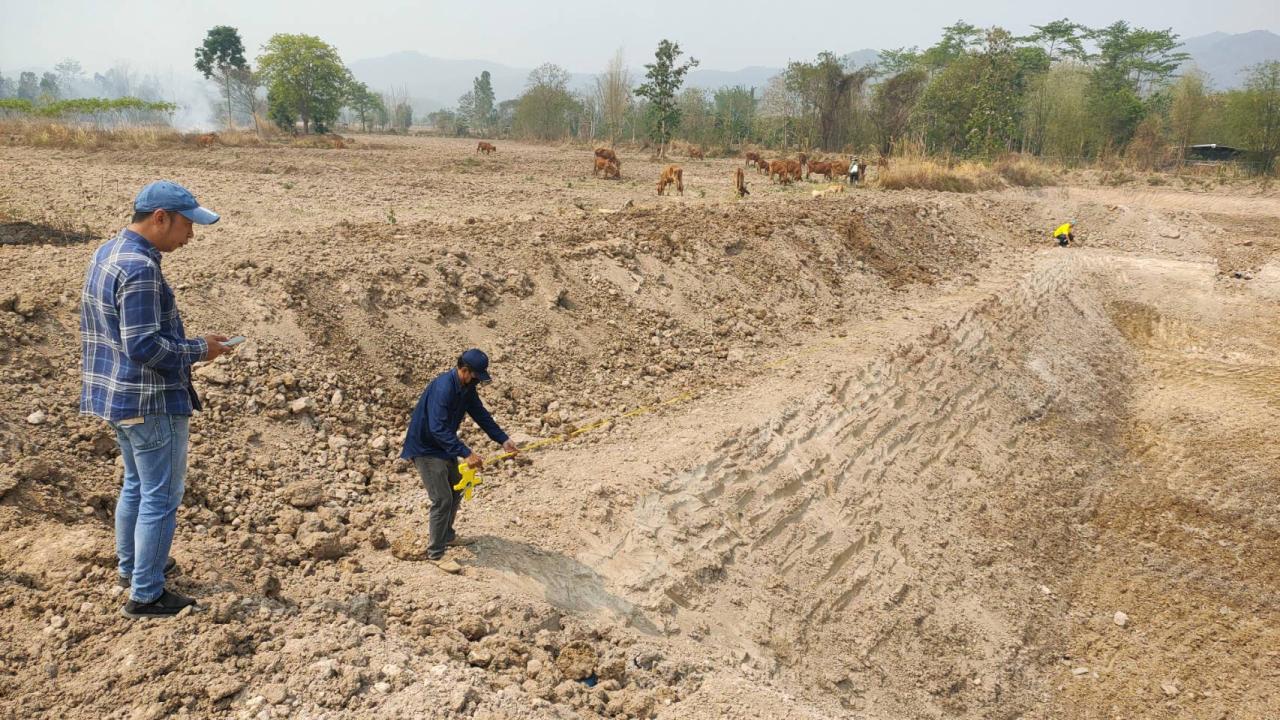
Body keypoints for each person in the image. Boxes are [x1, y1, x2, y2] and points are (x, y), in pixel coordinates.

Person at [80, 180, 230, 619]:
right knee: (161, 496)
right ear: (160, 217)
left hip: (116, 397)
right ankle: (146, 593)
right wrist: (201, 350)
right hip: (149, 401)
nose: (191, 235)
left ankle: (133, 568)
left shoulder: (107, 253)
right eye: (187, 225)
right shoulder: (142, 268)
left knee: (137, 485)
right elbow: (144, 346)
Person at [400, 349, 519, 573]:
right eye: (475, 376)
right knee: (442, 499)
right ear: (464, 370)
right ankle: (436, 553)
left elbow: (481, 414)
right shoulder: (444, 388)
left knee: (457, 488)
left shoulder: (467, 388)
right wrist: (466, 453)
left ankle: (447, 535)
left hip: (444, 447)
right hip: (426, 448)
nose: (477, 381)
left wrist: (502, 439)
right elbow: (437, 428)